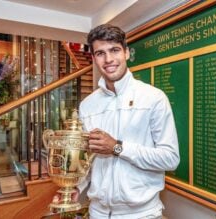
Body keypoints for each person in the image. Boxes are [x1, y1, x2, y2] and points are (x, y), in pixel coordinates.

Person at [76, 24, 180, 218]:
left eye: (114, 50)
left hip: (141, 214)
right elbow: (89, 160)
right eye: (100, 53)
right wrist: (76, 187)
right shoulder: (87, 105)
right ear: (93, 58)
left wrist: (117, 147)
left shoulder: (154, 98)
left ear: (126, 53)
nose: (108, 60)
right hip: (97, 212)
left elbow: (170, 158)